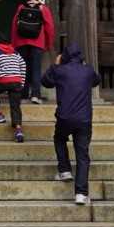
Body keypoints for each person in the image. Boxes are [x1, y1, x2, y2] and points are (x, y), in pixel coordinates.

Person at [41, 44, 100, 206]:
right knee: (82, 156)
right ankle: (81, 194)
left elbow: (45, 81)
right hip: (84, 119)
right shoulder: (88, 70)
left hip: (64, 117)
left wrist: (56, 65)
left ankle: (65, 170)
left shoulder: (59, 70)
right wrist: (84, 66)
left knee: (59, 138)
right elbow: (96, 81)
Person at [11, 0, 56, 104]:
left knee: (23, 68)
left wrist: (14, 43)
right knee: (36, 69)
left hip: (21, 42)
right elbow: (50, 27)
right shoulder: (43, 9)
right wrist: (48, 43)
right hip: (38, 42)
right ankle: (35, 95)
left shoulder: (21, 7)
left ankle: (23, 94)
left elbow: (14, 25)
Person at [0, 29, 27, 141]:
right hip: (16, 81)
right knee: (15, 106)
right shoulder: (15, 51)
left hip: (2, 80)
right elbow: (23, 65)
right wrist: (21, 82)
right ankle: (18, 130)